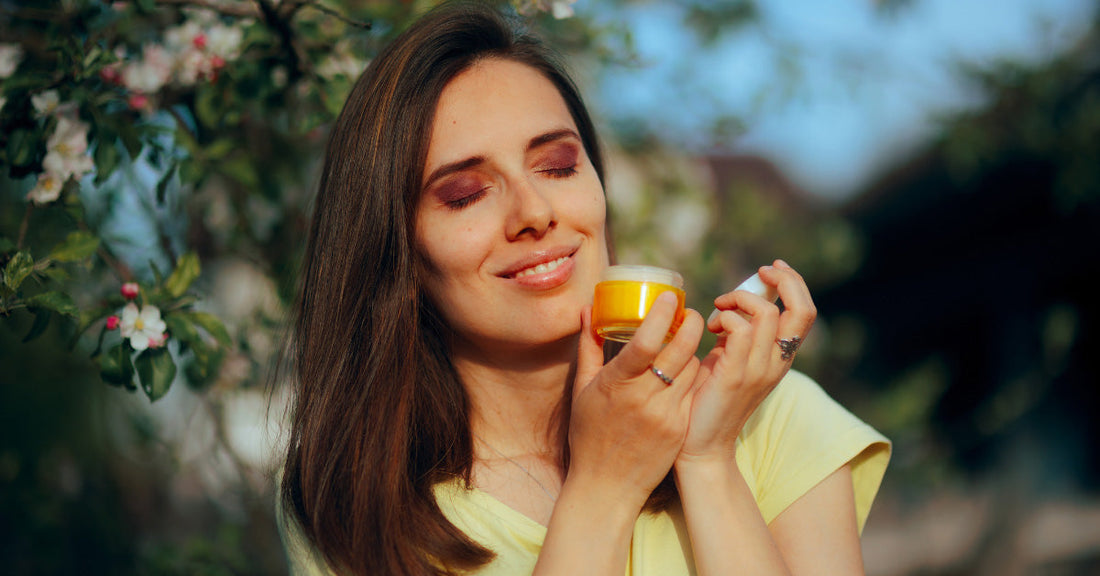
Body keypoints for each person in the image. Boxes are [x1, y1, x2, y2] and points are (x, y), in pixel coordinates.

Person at [277, 2, 891, 575]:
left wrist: (707, 459)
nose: (535, 211)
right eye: (465, 194)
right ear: (395, 252)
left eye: (558, 166)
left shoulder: (771, 417)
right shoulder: (351, 499)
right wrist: (604, 484)